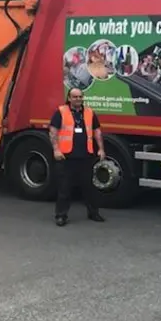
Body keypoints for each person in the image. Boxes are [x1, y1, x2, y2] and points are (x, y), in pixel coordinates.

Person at [48, 88, 106, 226]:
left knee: (89, 188)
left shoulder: (89, 112)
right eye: (75, 97)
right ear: (69, 98)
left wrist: (101, 149)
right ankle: (61, 215)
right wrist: (56, 149)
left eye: (80, 97)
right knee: (64, 188)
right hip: (66, 157)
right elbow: (53, 131)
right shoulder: (61, 112)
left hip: (86, 156)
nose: (78, 99)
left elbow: (97, 131)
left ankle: (93, 213)